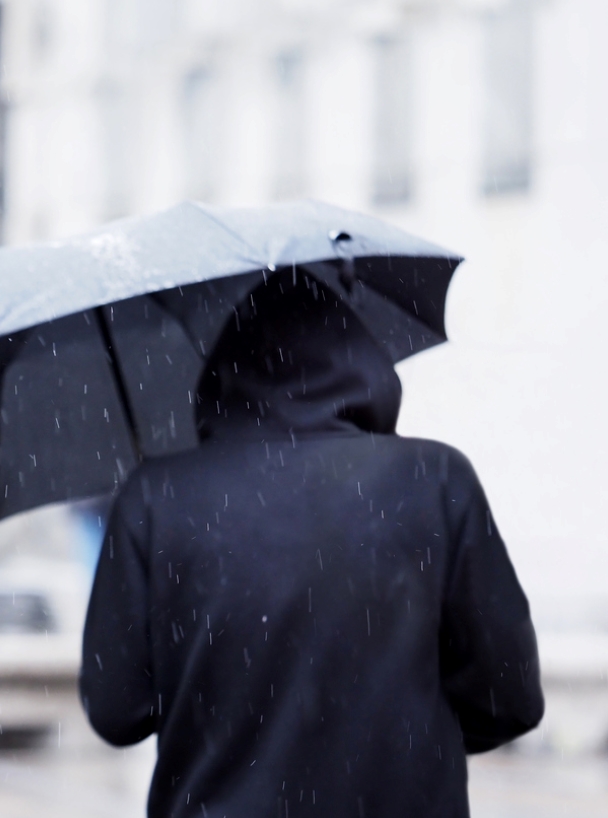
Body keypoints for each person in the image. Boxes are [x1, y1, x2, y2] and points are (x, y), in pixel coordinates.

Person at [80, 270, 543, 818]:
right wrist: (397, 738)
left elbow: (118, 710)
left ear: (224, 373)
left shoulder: (156, 496)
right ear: (365, 365)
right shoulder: (434, 479)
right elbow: (509, 698)